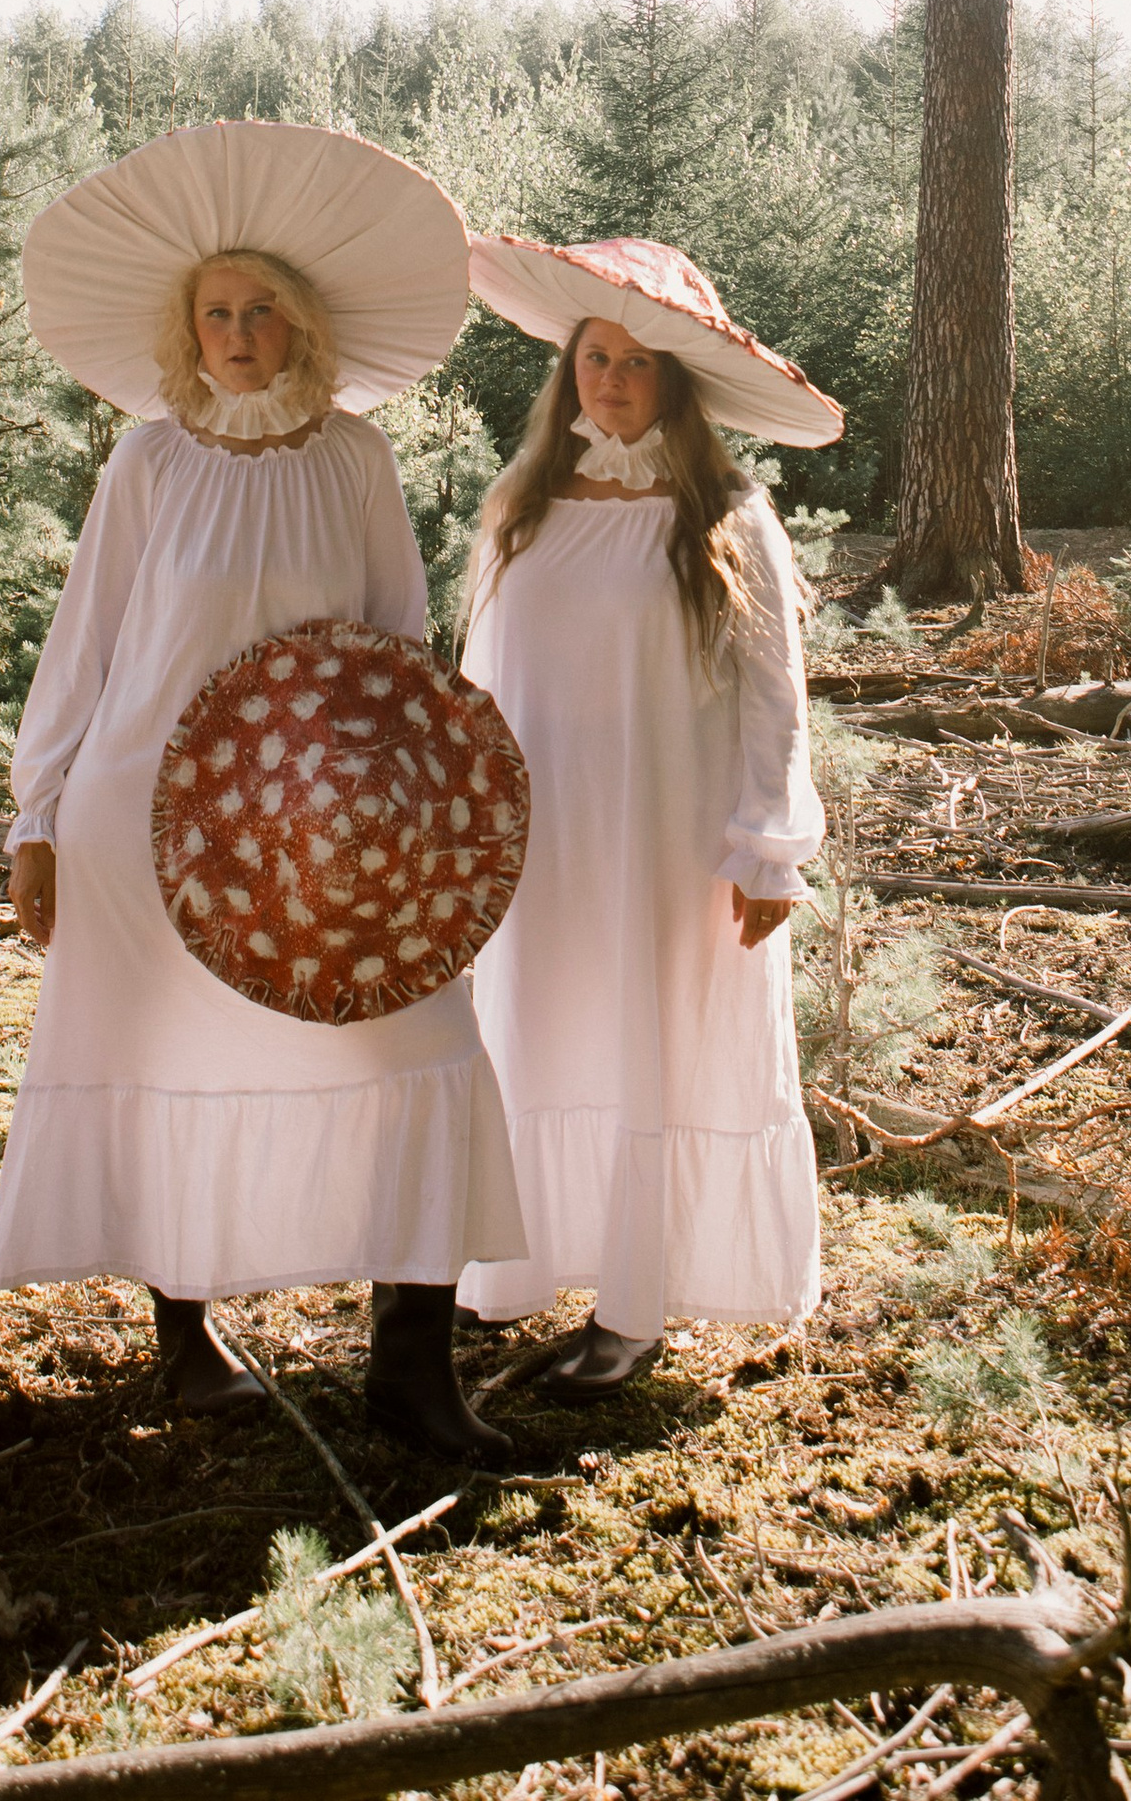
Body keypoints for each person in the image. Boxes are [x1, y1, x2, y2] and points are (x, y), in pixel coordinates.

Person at [0, 119, 526, 1463]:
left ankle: (410, 1367)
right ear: (189, 331)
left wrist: (415, 820)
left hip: (321, 832)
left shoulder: (354, 460)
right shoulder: (148, 461)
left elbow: (398, 640)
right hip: (142, 820)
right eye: (216, 313)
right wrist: (38, 814)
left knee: (416, 1043)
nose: (236, 334)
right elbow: (86, 642)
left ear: (301, 324)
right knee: (161, 1057)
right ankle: (184, 1341)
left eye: (259, 311)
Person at [455, 234, 841, 1396]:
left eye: (634, 363)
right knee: (539, 1028)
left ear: (673, 380)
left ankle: (632, 1308)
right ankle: (519, 1266)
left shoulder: (723, 513)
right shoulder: (522, 508)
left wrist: (768, 848)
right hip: (541, 835)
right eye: (594, 358)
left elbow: (774, 694)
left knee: (647, 1044)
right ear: (566, 370)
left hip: (666, 834)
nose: (611, 381)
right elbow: (477, 675)